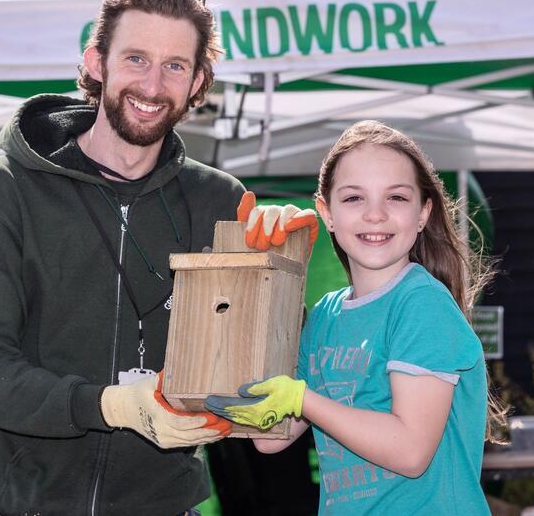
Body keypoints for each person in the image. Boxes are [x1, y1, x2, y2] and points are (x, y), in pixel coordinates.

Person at [0, 0, 318, 516]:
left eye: (175, 66)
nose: (152, 85)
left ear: (197, 83)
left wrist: (282, 270)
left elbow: (261, 371)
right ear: (97, 63)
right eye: (136, 58)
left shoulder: (217, 200)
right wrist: (111, 405)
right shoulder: (9, 186)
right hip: (27, 505)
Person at [207, 120, 507, 514]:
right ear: (325, 213)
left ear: (423, 212)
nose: (375, 215)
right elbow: (272, 438)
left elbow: (411, 451)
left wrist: (302, 399)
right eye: (353, 199)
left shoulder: (421, 305)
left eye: (396, 198)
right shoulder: (327, 315)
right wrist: (258, 272)